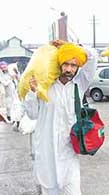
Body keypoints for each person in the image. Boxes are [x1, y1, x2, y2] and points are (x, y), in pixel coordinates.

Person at [24, 42, 97, 195]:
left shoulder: (79, 84)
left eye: (73, 65)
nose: (69, 69)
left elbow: (92, 56)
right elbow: (32, 114)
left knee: (74, 191)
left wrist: (70, 46)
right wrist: (32, 93)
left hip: (69, 149)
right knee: (50, 189)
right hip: (47, 149)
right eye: (66, 64)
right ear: (59, 63)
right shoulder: (46, 86)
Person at [0, 61, 24, 130]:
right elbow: (5, 83)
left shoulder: (12, 72)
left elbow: (19, 81)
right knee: (9, 107)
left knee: (17, 107)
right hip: (8, 95)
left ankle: (18, 121)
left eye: (4, 67)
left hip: (16, 94)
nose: (4, 68)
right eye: (2, 68)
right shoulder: (2, 75)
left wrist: (16, 75)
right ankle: (11, 118)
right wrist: (10, 78)